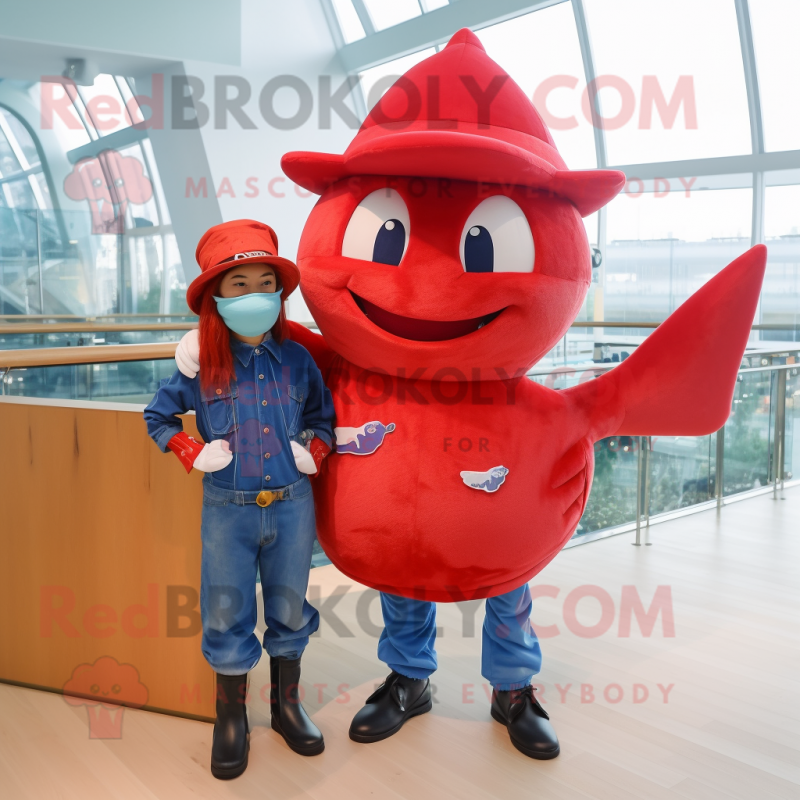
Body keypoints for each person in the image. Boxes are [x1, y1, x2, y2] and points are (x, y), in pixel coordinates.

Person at [144, 219, 335, 779]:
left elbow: (323, 418)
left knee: (289, 606)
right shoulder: (200, 365)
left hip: (293, 504)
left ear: (279, 294)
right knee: (226, 610)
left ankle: (286, 706)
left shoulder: (299, 361)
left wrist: (315, 452)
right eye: (238, 284)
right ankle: (231, 719)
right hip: (226, 510)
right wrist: (187, 448)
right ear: (216, 298)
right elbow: (156, 416)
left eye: (264, 283)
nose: (254, 294)